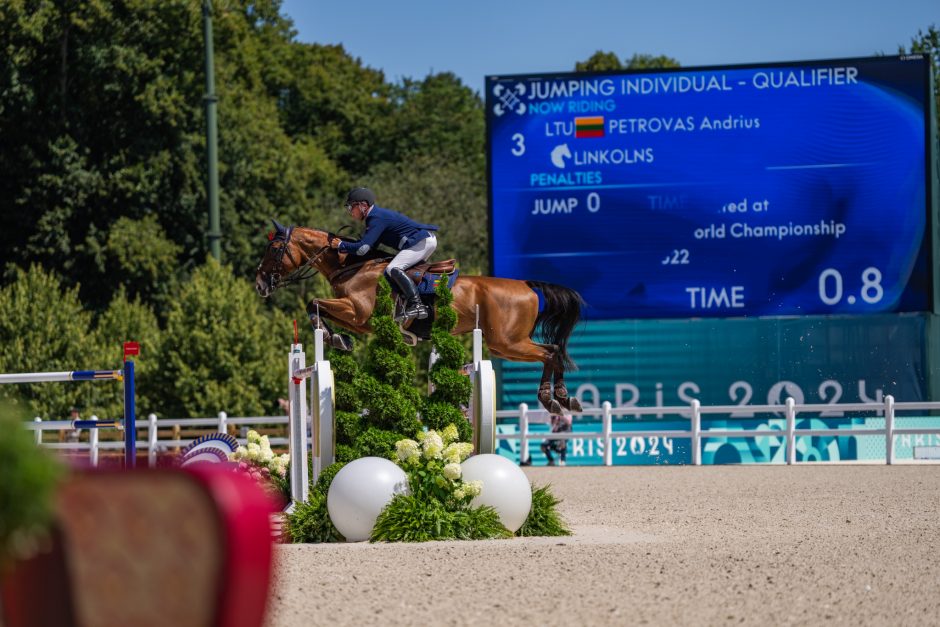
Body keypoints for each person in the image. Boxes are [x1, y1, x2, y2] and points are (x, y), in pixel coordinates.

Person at [330, 187, 438, 321]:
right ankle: (417, 303)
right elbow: (369, 250)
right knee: (405, 271)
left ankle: (417, 305)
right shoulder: (374, 218)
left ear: (363, 205)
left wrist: (341, 245)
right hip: (423, 240)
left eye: (352, 206)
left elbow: (363, 248)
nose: (350, 211)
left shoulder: (376, 218)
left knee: (393, 269)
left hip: (421, 241)